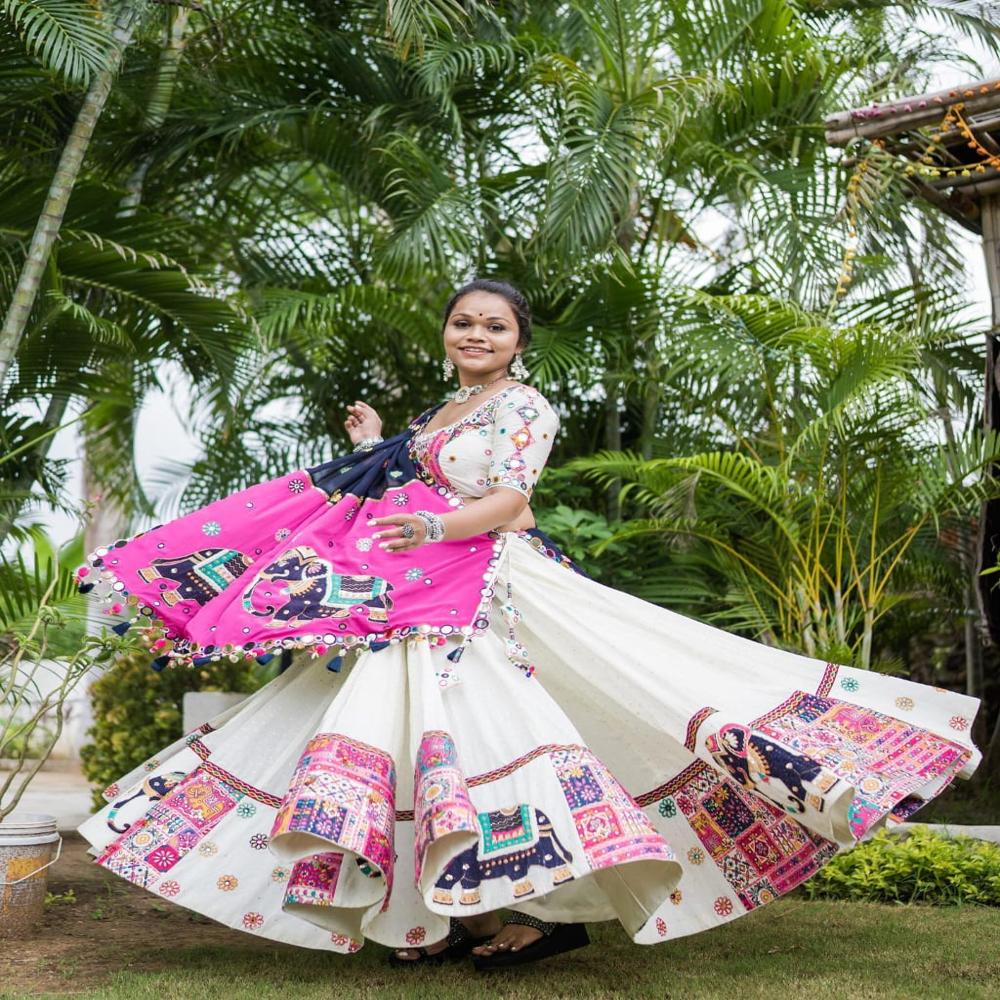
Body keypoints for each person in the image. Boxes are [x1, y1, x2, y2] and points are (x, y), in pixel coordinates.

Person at [77, 278, 981, 971]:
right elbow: (422, 481)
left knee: (525, 728)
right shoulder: (444, 412)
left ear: (518, 343)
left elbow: (507, 496)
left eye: (494, 326)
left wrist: (436, 524)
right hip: (419, 592)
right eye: (464, 321)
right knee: (419, 743)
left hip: (488, 588)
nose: (476, 334)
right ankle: (438, 915)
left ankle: (524, 914)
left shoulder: (526, 406)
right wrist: (384, 437)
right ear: (449, 332)